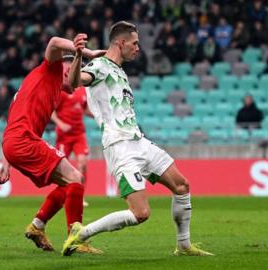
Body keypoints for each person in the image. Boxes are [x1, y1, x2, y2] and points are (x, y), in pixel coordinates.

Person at [61, 21, 213, 257]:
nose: (138, 48)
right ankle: (80, 234)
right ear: (121, 43)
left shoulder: (120, 72)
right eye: (135, 43)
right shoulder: (99, 66)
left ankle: (183, 246)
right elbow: (73, 83)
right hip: (120, 147)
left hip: (139, 141)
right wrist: (79, 55)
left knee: (182, 185)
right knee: (140, 214)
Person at [0, 34, 105, 252]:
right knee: (76, 177)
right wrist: (83, 52)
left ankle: (38, 225)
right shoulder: (51, 70)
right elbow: (54, 42)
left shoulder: (46, 88)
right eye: (74, 75)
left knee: (69, 183)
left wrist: (6, 160)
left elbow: (12, 121)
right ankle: (76, 238)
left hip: (14, 143)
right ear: (66, 69)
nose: (76, 84)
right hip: (23, 141)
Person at [50, 64, 92, 208]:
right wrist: (60, 124)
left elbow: (84, 108)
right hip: (64, 136)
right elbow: (51, 111)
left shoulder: (82, 91)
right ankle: (63, 194)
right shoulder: (62, 91)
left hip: (79, 133)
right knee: (62, 168)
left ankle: (81, 196)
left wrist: (99, 116)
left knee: (82, 163)